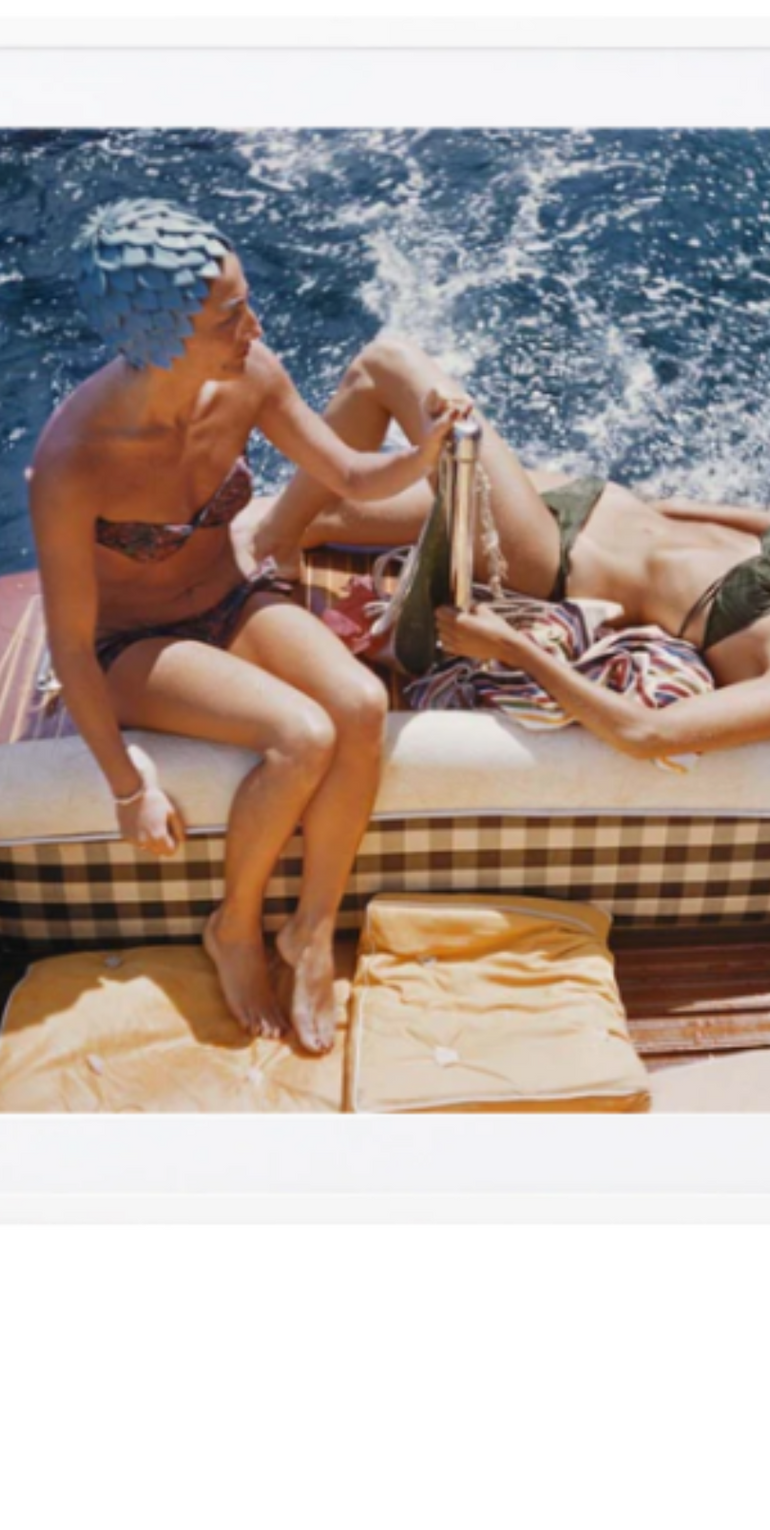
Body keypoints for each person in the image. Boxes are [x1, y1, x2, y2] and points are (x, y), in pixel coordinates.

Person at [28, 202, 464, 1054]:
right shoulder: (73, 459)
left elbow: (349, 475)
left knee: (361, 706)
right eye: (231, 316)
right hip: (131, 648)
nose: (255, 328)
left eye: (246, 304)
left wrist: (425, 453)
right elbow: (71, 644)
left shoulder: (250, 375)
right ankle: (234, 926)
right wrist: (128, 788)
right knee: (301, 734)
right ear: (158, 332)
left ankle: (310, 930)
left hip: (232, 600)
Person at [246, 334, 770, 774]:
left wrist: (514, 648)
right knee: (330, 512)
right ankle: (262, 541)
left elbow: (646, 735)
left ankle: (272, 547)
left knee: (385, 368)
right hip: (585, 498)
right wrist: (647, 502)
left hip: (545, 553)